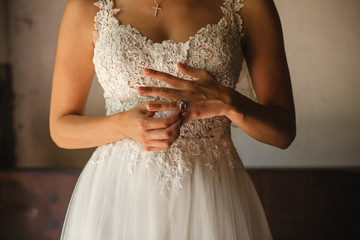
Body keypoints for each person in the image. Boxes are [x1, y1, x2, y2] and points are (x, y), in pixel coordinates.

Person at [50, 0, 295, 239]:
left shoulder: (249, 4)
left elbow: (283, 132)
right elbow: (61, 127)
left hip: (210, 196)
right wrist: (121, 124)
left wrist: (230, 103)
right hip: (119, 196)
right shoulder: (86, 5)